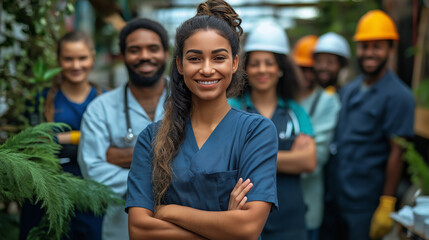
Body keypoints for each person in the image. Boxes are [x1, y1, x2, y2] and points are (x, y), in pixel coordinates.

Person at [125, 0, 279, 239]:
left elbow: (247, 228)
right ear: (180, 65)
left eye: (219, 58)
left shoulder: (256, 131)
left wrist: (169, 211)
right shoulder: (151, 138)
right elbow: (139, 229)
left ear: (235, 63)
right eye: (195, 58)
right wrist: (224, 229)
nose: (207, 69)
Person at [320, 10, 415, 240]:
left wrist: (387, 202)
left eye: (377, 47)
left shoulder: (399, 96)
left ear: (390, 50)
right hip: (336, 195)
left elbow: (397, 151)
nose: (369, 53)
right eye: (364, 46)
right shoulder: (351, 88)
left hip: (365, 203)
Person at [77, 18, 170, 240]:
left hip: (185, 228)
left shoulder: (192, 102)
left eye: (153, 49)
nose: (145, 56)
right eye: (134, 50)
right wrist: (167, 168)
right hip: (122, 230)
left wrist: (126, 157)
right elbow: (94, 173)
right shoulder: (100, 109)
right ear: (123, 56)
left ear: (167, 54)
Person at [229, 21, 316, 240]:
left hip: (291, 221)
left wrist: (251, 158)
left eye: (269, 63)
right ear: (245, 68)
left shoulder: (296, 112)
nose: (262, 70)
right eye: (255, 63)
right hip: (241, 219)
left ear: (280, 69)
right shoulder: (231, 108)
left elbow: (308, 161)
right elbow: (226, 158)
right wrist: (289, 158)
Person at [20, 31, 104, 240]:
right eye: (68, 59)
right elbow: (30, 143)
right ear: (58, 60)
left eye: (82, 58)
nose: (76, 65)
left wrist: (60, 138)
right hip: (46, 195)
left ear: (92, 57)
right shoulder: (40, 100)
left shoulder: (106, 100)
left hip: (91, 195)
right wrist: (81, 137)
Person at [292, 35, 341, 240]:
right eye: (301, 68)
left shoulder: (327, 101)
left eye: (311, 69)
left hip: (307, 206)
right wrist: (292, 155)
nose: (306, 75)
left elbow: (314, 160)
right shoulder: (282, 98)